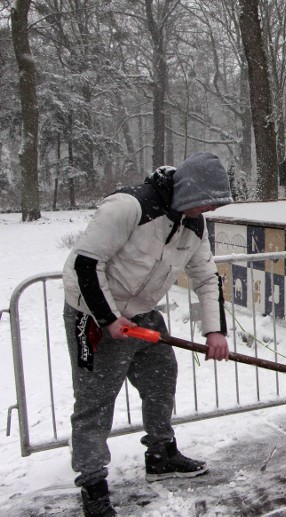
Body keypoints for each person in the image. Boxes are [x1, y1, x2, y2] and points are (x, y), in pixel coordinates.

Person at [62, 152, 233, 516]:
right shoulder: (129, 207)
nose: (213, 209)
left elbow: (206, 278)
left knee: (161, 378)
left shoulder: (194, 223)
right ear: (190, 191)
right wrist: (109, 319)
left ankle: (160, 454)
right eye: (211, 201)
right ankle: (93, 483)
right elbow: (85, 264)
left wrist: (215, 330)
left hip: (143, 314)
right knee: (96, 401)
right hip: (94, 315)